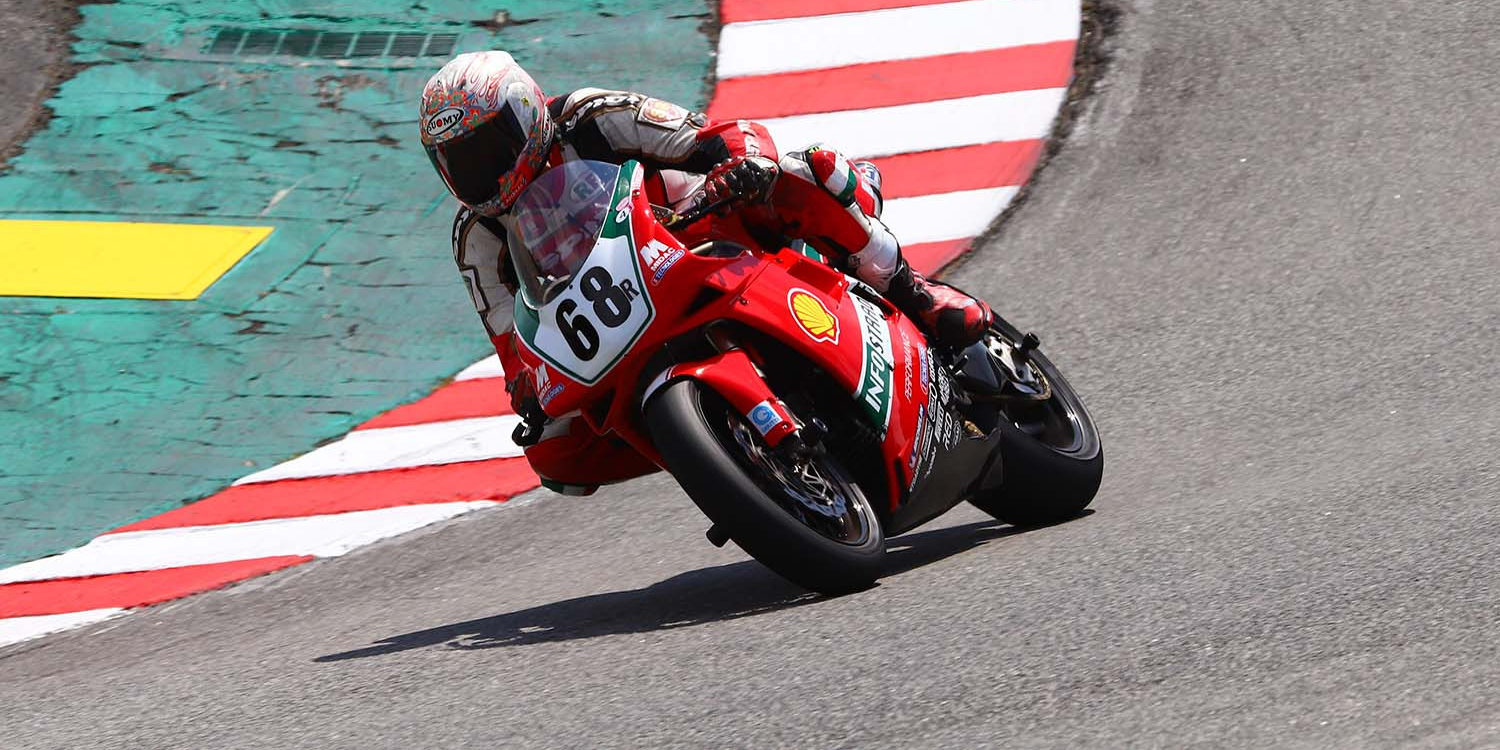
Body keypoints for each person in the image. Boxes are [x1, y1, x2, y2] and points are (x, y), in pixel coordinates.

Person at [420, 50, 993, 492]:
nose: (476, 173)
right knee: (556, 456)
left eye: (485, 150)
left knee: (800, 172)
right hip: (616, 315)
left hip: (695, 229)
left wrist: (741, 165)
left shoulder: (592, 118)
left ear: (524, 112)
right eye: (456, 161)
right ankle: (721, 452)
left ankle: (915, 294)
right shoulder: (476, 235)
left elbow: (710, 134)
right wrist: (528, 392)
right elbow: (511, 342)